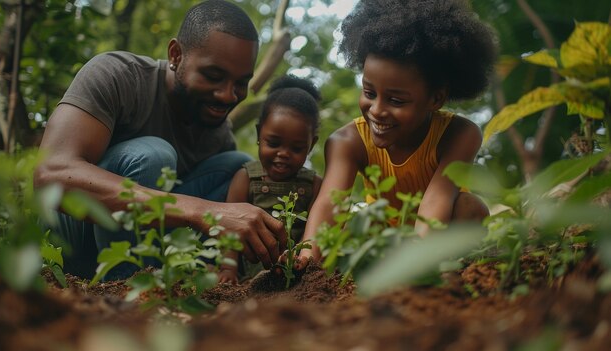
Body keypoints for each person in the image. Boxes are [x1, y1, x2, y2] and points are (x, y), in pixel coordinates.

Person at [34, 0, 287, 279]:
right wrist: (202, 210)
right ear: (176, 54)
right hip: (71, 248)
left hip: (151, 252)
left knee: (238, 167)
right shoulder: (117, 75)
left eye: (241, 83)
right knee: (153, 155)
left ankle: (183, 281)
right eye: (213, 76)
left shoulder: (218, 132)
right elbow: (50, 174)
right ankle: (128, 290)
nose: (228, 96)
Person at [295, 0, 497, 269]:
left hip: (438, 235)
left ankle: (457, 271)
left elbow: (437, 199)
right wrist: (307, 255)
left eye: (396, 101)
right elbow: (330, 205)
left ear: (435, 99)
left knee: (470, 207)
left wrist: (414, 263)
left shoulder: (458, 134)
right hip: (381, 240)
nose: (376, 111)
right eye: (369, 93)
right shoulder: (348, 141)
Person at [218, 75, 323, 284]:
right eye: (274, 143)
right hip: (250, 278)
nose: (283, 153)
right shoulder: (245, 178)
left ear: (311, 145)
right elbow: (229, 230)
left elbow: (316, 230)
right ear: (259, 134)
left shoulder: (314, 185)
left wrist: (303, 261)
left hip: (298, 276)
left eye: (296, 148)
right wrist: (227, 269)